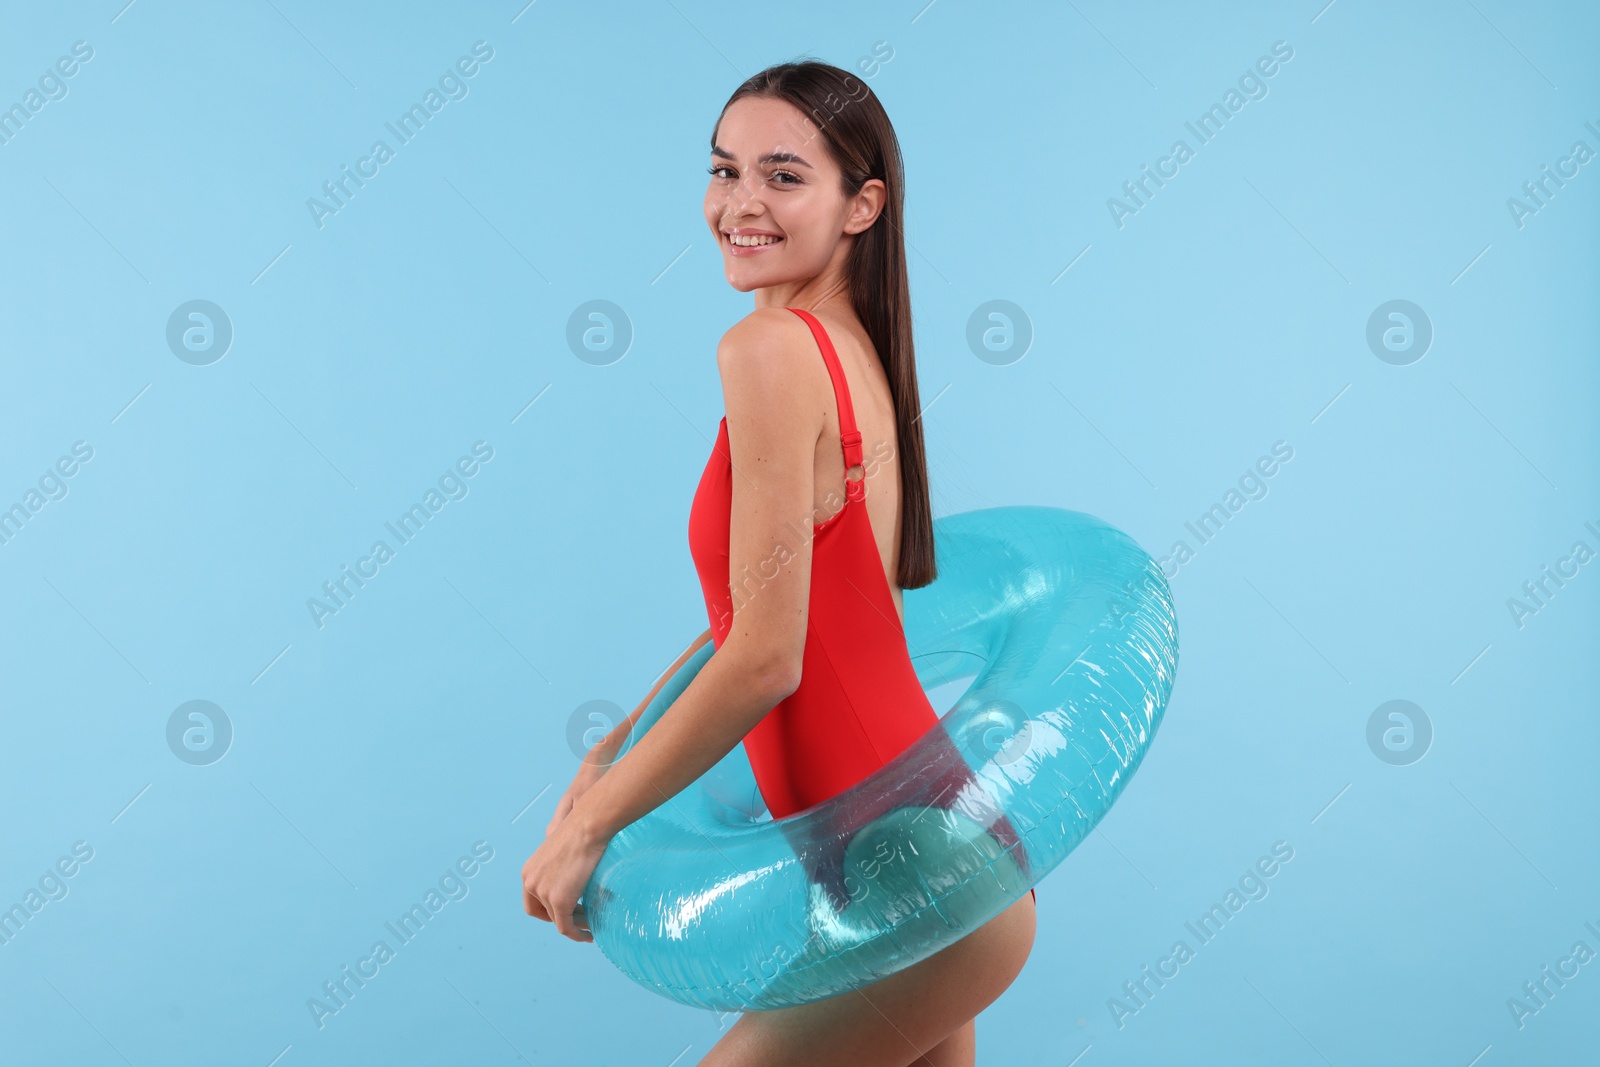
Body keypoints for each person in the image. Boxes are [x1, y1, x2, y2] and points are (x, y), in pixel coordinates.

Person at [522, 59, 1035, 1067]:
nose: (739, 203)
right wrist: (616, 752)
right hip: (941, 855)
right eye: (723, 171)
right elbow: (771, 609)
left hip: (905, 866)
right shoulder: (849, 349)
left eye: (783, 175)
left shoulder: (769, 353)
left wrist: (586, 829)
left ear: (862, 204)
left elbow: (767, 660)